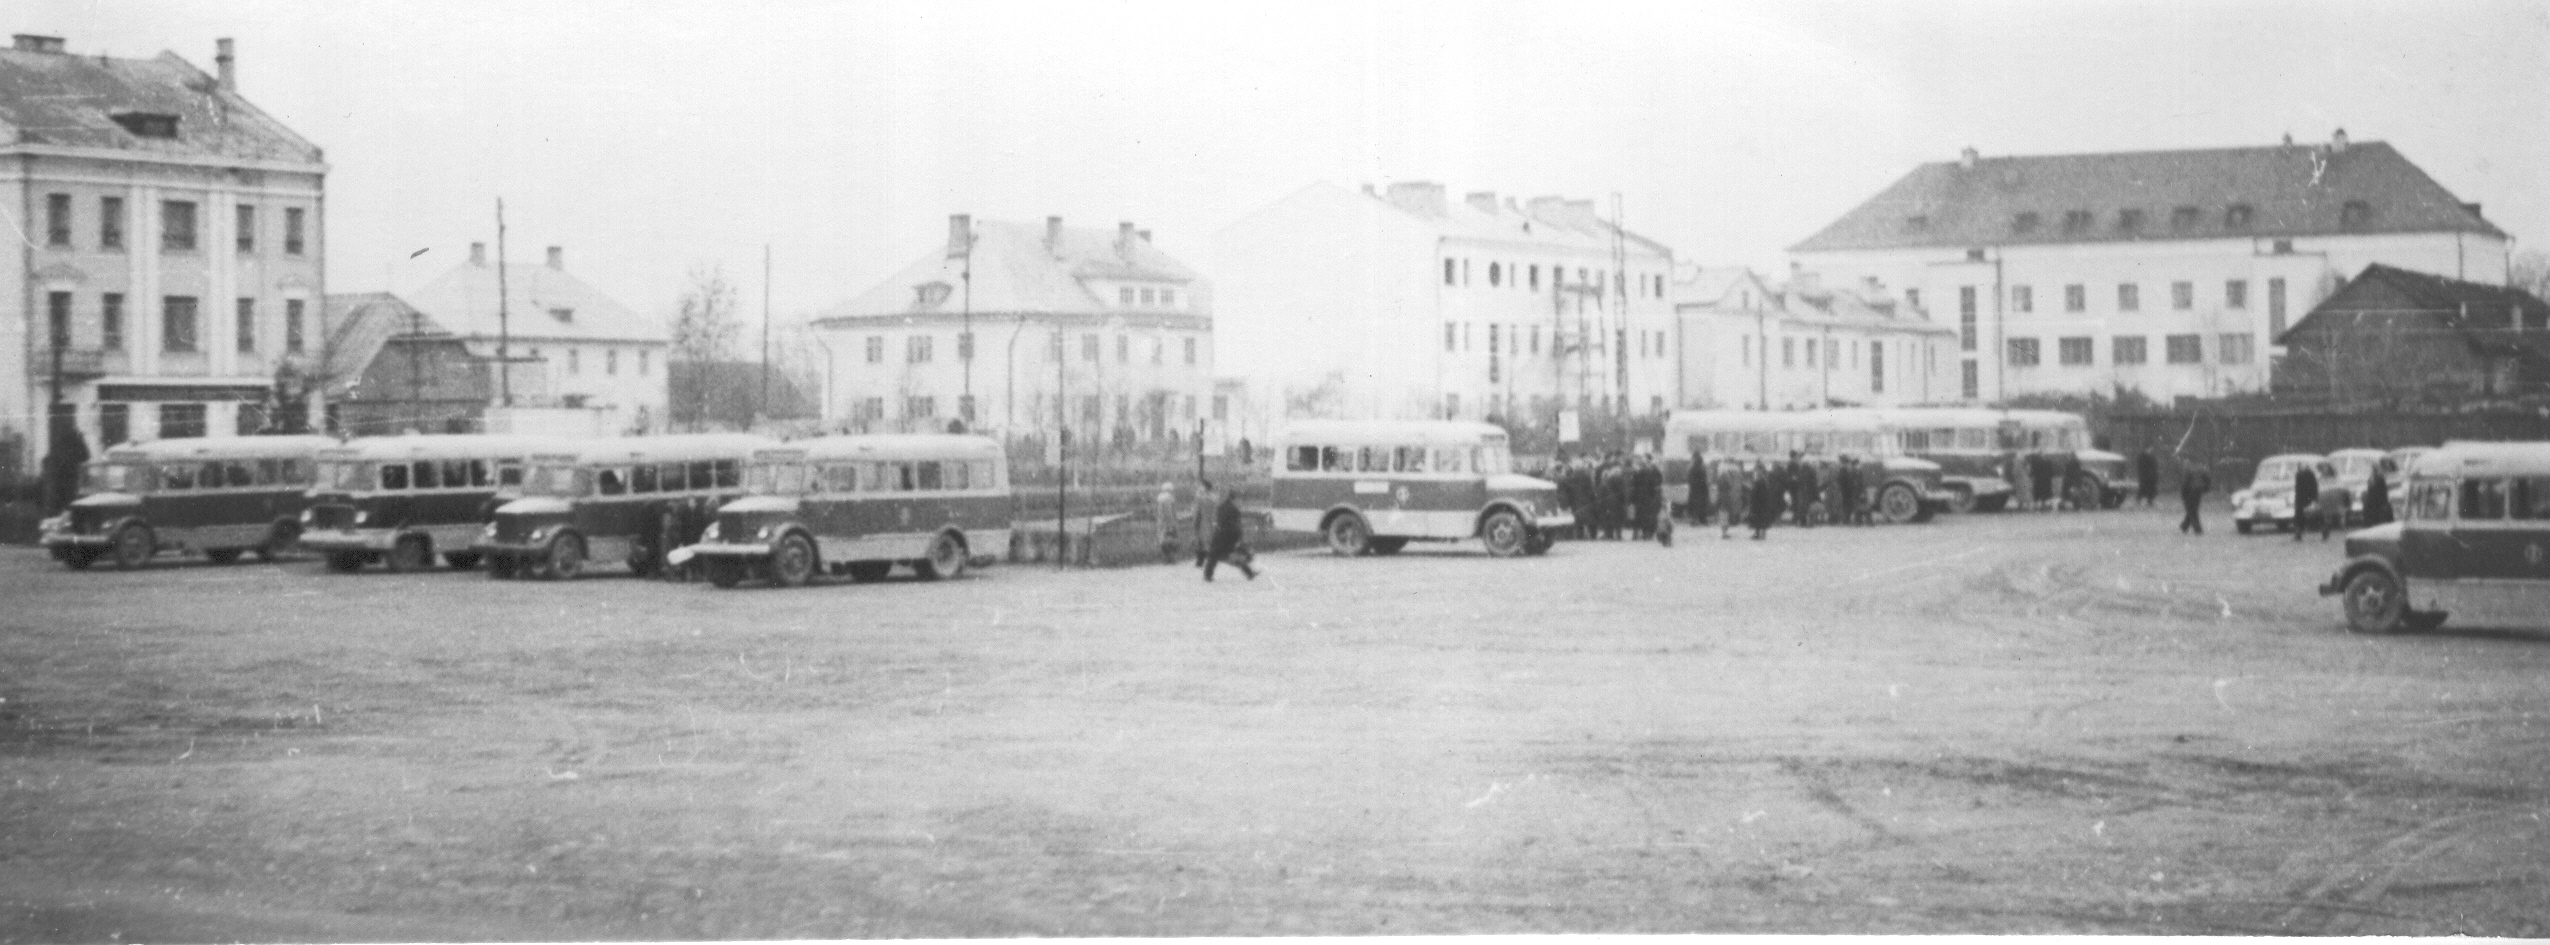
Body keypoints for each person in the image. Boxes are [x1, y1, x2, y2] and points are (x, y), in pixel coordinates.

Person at [1203, 485, 1257, 581]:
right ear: (1234, 498)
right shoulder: (1235, 509)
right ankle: (1249, 573)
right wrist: (1239, 537)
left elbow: (1219, 520)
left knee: (1213, 555)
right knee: (1230, 555)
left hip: (1219, 535)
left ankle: (1208, 576)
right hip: (1230, 535)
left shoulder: (1221, 507)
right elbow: (1237, 524)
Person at [1747, 461, 1785, 540]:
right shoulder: (1765, 478)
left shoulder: (1760, 480)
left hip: (1759, 501)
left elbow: (1756, 491)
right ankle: (1760, 533)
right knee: (1761, 517)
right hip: (1763, 501)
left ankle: (1759, 533)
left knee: (1759, 517)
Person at [1630, 454, 1663, 540]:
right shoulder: (1651, 473)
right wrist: (1652, 496)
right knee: (1648, 516)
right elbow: (1654, 485)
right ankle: (1647, 533)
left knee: (1639, 516)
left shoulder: (1637, 474)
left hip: (1639, 498)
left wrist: (1632, 498)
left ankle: (1637, 534)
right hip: (1648, 498)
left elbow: (1633, 486)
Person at [2294, 462, 2328, 541]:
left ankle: (2323, 530)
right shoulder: (2301, 474)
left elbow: (2312, 487)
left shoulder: (2305, 474)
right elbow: (2299, 488)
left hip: (2306, 498)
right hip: (2305, 498)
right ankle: (2298, 533)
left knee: (2312, 515)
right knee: (2305, 515)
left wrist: (2314, 499)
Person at [1715, 457, 1747, 540]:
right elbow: (1733, 484)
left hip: (1726, 497)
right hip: (1729, 497)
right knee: (1726, 514)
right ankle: (1724, 532)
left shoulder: (1723, 475)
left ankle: (1724, 532)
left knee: (1724, 515)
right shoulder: (1733, 472)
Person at [2178, 461, 2212, 534]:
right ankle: (2185, 526)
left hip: (2190, 490)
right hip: (2198, 490)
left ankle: (2196, 529)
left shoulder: (2188, 468)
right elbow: (2207, 479)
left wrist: (2183, 492)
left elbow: (2185, 481)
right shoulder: (2202, 467)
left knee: (2191, 510)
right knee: (2193, 509)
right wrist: (2206, 488)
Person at [1786, 451, 1816, 527]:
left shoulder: (1796, 465)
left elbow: (1794, 477)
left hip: (1798, 488)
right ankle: (1800, 520)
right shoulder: (1794, 465)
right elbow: (1794, 477)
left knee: (1799, 504)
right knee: (1799, 504)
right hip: (1798, 488)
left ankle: (1799, 519)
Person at [1154, 482, 1180, 564]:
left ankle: (1165, 559)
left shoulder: (1160, 498)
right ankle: (1172, 559)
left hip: (1161, 523)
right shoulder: (1169, 498)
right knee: (1171, 540)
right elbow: (1169, 512)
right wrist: (1172, 524)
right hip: (1168, 523)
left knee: (1163, 541)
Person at [1191, 479, 1215, 567]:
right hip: (1212, 524)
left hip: (1202, 524)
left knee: (1200, 542)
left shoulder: (1201, 499)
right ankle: (1210, 561)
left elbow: (1197, 513)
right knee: (1209, 542)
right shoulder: (1214, 498)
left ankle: (1200, 561)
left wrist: (1194, 524)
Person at [1835, 456, 1863, 527]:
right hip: (1847, 491)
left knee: (1847, 506)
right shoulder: (1846, 471)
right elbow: (1847, 482)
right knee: (1849, 506)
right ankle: (1849, 520)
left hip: (1847, 491)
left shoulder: (1845, 470)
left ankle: (1847, 520)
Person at [1687, 449, 1711, 525]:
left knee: (1694, 505)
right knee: (1703, 505)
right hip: (1703, 489)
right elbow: (1705, 477)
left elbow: (1689, 478)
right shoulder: (1703, 466)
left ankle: (1694, 520)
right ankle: (1703, 520)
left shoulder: (1692, 466)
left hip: (1694, 489)